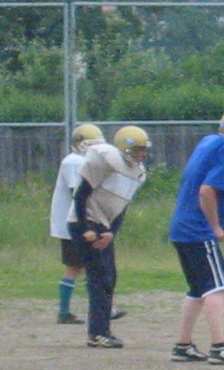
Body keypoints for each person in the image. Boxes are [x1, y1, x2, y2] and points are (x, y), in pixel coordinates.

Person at [168, 107, 224, 365]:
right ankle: (219, 347)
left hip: (182, 226)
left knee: (198, 289)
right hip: (198, 229)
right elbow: (207, 190)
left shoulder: (210, 141)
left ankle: (183, 345)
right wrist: (216, 226)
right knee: (217, 287)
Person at [70, 126, 150, 349]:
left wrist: (111, 232)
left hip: (104, 225)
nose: (142, 154)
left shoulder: (136, 172)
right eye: (138, 149)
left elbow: (122, 206)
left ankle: (100, 330)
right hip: (85, 222)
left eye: (143, 150)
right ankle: (98, 332)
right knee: (100, 277)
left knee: (109, 277)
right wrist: (85, 228)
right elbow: (81, 196)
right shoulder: (104, 162)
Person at [51, 123, 102, 324]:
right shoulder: (74, 162)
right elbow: (79, 193)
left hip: (78, 221)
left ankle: (100, 306)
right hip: (74, 223)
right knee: (77, 266)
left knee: (89, 266)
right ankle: (65, 311)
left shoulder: (84, 162)